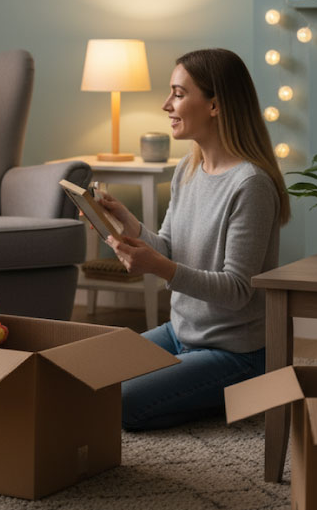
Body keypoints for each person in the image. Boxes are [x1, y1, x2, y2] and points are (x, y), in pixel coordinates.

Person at [97, 48, 291, 431]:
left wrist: (161, 268)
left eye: (179, 94)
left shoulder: (250, 185)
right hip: (180, 332)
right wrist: (129, 225)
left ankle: (241, 392)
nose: (167, 104)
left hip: (235, 351)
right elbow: (169, 247)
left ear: (215, 105)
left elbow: (237, 289)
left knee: (120, 403)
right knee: (92, 372)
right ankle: (200, 389)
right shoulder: (189, 167)